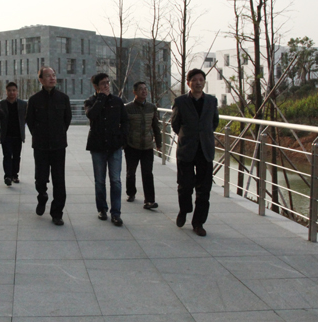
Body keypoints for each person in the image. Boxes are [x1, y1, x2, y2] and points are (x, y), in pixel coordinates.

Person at [171, 68, 219, 237]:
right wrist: (188, 136)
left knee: (204, 189)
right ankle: (184, 210)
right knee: (184, 186)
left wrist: (203, 136)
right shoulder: (180, 102)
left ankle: (198, 223)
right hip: (186, 149)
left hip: (205, 150)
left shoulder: (212, 101)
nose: (198, 83)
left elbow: (214, 123)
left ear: (204, 82)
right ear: (188, 83)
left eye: (201, 80)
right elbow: (175, 125)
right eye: (195, 80)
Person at [26, 67, 72, 226]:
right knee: (40, 178)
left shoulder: (63, 98)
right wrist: (39, 135)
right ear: (41, 80)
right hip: (41, 146)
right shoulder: (34, 100)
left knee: (59, 180)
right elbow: (30, 121)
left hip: (59, 146)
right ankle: (42, 196)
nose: (52, 78)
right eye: (48, 76)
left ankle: (57, 213)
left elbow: (67, 120)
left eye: (54, 75)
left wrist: (58, 134)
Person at [84, 73, 128, 226]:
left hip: (114, 146)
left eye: (108, 82)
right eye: (103, 83)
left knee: (115, 180)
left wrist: (122, 139)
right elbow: (92, 115)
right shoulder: (90, 101)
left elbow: (125, 121)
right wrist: (101, 98)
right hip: (98, 146)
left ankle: (116, 213)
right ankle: (102, 209)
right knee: (99, 180)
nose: (106, 85)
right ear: (95, 86)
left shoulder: (117, 101)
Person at [124, 81, 162, 210]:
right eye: (141, 89)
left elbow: (156, 126)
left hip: (147, 146)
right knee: (131, 172)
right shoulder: (128, 108)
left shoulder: (151, 107)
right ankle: (131, 192)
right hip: (131, 145)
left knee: (148, 173)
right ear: (134, 92)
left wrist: (158, 143)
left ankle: (150, 200)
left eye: (145, 89)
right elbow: (124, 127)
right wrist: (123, 143)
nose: (144, 91)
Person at [0, 82, 27, 186]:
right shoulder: (1, 104)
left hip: (18, 135)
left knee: (16, 156)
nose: (12, 92)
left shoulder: (23, 104)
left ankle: (15, 175)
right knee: (7, 156)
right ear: (6, 92)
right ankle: (8, 176)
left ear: (17, 91)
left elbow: (26, 118)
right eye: (9, 90)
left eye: (14, 90)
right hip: (6, 135)